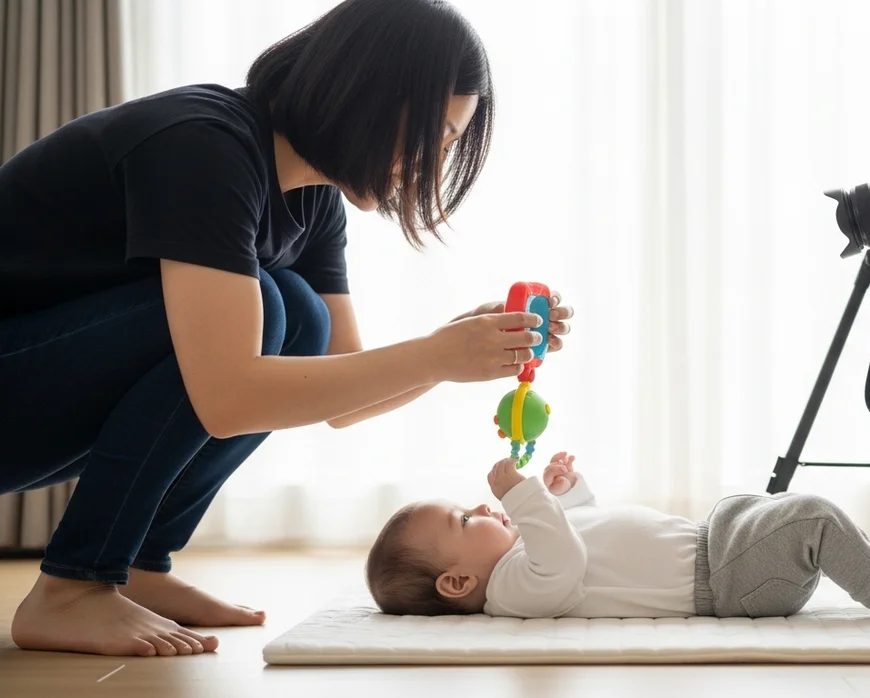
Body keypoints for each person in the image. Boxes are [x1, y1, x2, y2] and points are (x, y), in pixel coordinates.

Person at [0, 0, 571, 658]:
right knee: (268, 310)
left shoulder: (312, 197)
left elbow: (341, 396)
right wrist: (436, 354)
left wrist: (451, 352)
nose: (428, 163)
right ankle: (72, 587)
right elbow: (228, 394)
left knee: (294, 312)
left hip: (38, 398)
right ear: (366, 93)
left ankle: (138, 563)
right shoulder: (202, 147)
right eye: (435, 135)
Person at [365, 452, 870, 620]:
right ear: (459, 581)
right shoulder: (514, 590)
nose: (479, 508)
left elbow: (581, 530)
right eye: (463, 521)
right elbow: (566, 560)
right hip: (724, 578)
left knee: (777, 510)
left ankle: (869, 562)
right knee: (810, 516)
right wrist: (523, 498)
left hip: (715, 545)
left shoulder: (529, 548)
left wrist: (565, 492)